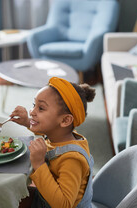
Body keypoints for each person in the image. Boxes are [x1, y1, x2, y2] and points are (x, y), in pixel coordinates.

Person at [11, 77, 95, 208]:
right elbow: (47, 130)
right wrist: (27, 121)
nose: (32, 112)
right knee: (8, 197)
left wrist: (39, 164)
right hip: (45, 199)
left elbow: (64, 204)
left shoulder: (72, 159)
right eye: (34, 105)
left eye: (41, 108)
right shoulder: (59, 135)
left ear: (65, 120)